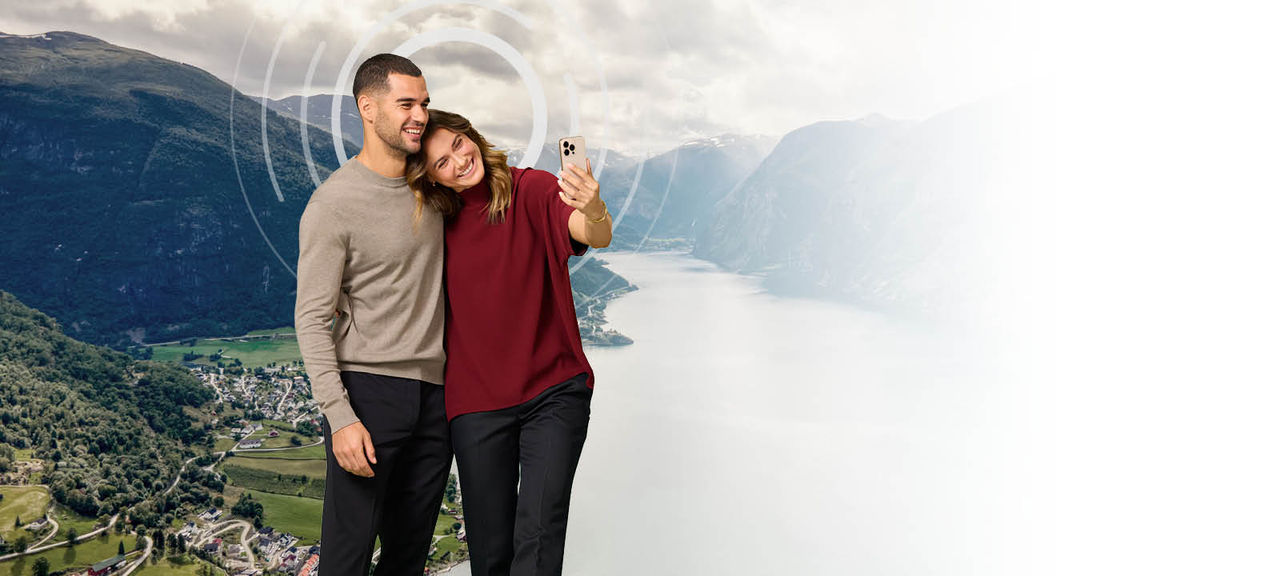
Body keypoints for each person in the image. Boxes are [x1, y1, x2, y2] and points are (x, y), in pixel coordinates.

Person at [405, 109, 612, 576]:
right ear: (432, 180)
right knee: (490, 552)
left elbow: (591, 233)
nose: (459, 160)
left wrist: (594, 207)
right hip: (476, 407)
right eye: (441, 162)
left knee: (538, 537)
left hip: (554, 392)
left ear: (471, 136)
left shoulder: (530, 189)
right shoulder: (435, 224)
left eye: (459, 144)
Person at [294, 53, 450, 576]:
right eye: (406, 103)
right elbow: (312, 318)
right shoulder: (333, 204)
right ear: (368, 107)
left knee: (408, 560)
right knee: (347, 558)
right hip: (369, 393)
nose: (419, 116)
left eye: (424, 103)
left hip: (437, 397)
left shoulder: (433, 187)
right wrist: (340, 418)